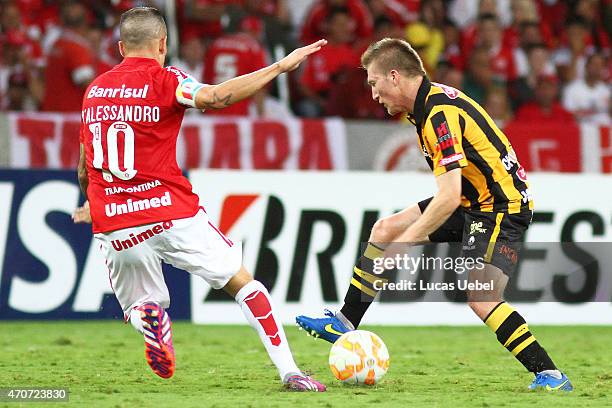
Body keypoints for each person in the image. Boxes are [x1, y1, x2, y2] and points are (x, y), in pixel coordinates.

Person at [72, 6, 327, 391]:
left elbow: (83, 168)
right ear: (163, 44)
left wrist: (92, 203)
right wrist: (277, 68)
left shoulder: (95, 91)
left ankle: (151, 319)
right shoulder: (166, 78)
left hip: (115, 219)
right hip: (170, 210)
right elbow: (217, 97)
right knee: (244, 285)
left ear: (122, 47)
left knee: (140, 306)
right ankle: (290, 371)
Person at [296, 38, 573, 392]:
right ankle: (344, 322)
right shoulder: (425, 107)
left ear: (394, 77)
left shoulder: (438, 113)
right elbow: (453, 194)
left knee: (481, 296)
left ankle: (550, 375)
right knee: (385, 229)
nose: (373, 94)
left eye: (374, 83)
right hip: (473, 202)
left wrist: (408, 242)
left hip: (501, 207)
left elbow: (448, 195)